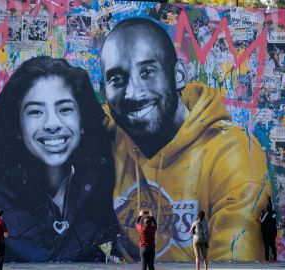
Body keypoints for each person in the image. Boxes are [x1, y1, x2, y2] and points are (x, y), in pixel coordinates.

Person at [99, 17, 270, 261]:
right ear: (104, 89)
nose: (132, 92)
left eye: (147, 71)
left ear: (178, 75)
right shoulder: (106, 130)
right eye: (116, 79)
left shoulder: (232, 152)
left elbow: (235, 263)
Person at [0, 56, 118, 262]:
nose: (52, 124)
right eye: (36, 111)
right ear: (17, 126)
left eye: (65, 109)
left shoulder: (106, 191)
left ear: (83, 121)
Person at [260, 197, 277, 262]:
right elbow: (272, 207)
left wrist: (262, 214)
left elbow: (262, 221)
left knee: (266, 245)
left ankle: (267, 259)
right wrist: (270, 199)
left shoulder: (266, 214)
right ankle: (274, 258)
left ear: (267, 209)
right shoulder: (274, 213)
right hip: (273, 231)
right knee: (273, 244)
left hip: (266, 232)